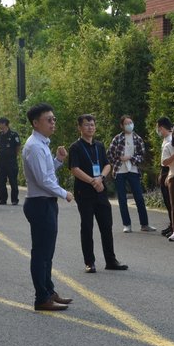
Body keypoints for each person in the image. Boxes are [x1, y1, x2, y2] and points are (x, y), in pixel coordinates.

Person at [21, 103, 73, 311]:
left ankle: (49, 291)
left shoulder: (41, 143)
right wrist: (64, 193)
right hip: (39, 203)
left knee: (47, 253)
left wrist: (58, 160)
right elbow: (43, 180)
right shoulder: (34, 146)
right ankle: (41, 298)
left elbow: (46, 172)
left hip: (45, 203)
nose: (53, 123)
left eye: (54, 119)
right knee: (41, 253)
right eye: (48, 120)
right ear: (36, 123)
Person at [68, 114, 128, 273]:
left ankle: (111, 260)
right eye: (87, 125)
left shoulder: (99, 146)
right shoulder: (75, 147)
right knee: (87, 227)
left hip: (100, 191)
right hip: (84, 192)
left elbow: (107, 165)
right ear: (80, 127)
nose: (90, 127)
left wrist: (100, 178)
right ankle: (89, 262)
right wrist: (92, 181)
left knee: (106, 226)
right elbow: (74, 169)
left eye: (92, 125)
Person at [107, 115, 155, 233]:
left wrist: (131, 158)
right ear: (122, 126)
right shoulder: (117, 138)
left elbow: (141, 155)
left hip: (133, 170)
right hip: (120, 171)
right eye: (126, 123)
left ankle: (144, 224)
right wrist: (118, 160)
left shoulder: (137, 138)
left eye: (131, 123)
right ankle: (127, 224)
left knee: (139, 197)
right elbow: (109, 154)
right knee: (122, 199)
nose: (129, 125)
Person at [0, 117, 21, 205]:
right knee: (1, 181)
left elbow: (18, 146)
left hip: (11, 161)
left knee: (13, 181)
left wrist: (14, 156)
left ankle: (14, 199)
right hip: (1, 161)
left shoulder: (13, 134)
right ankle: (2, 199)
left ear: (4, 123)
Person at [156, 117, 174, 236]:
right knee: (167, 201)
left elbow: (172, 160)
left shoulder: (171, 140)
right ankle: (172, 224)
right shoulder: (165, 139)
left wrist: (168, 174)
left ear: (162, 128)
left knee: (171, 201)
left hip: (169, 170)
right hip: (164, 169)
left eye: (158, 128)